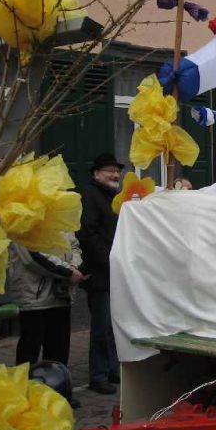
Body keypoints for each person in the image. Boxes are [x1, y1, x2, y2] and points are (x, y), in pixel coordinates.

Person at [7, 233, 84, 407]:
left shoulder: (61, 219)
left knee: (59, 348)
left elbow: (74, 245)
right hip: (35, 296)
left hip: (61, 294)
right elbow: (32, 256)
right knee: (29, 352)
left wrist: (73, 266)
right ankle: (24, 397)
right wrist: (68, 271)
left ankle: (57, 395)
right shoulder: (22, 222)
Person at [77, 153, 123, 395]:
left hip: (114, 271)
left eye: (117, 171)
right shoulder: (91, 195)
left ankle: (112, 369)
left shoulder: (114, 197)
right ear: (96, 174)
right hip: (99, 272)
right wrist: (108, 259)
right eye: (109, 171)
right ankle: (99, 375)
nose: (115, 175)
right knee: (102, 327)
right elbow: (87, 233)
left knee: (114, 325)